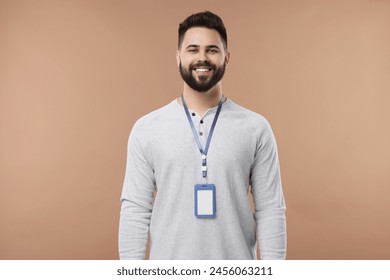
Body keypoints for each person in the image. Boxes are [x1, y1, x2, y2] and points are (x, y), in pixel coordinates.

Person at [119, 11, 286, 260]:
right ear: (178, 57)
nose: (202, 58)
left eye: (212, 50)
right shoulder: (147, 128)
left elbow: (271, 209)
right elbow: (135, 210)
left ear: (226, 58)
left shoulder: (255, 128)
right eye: (193, 49)